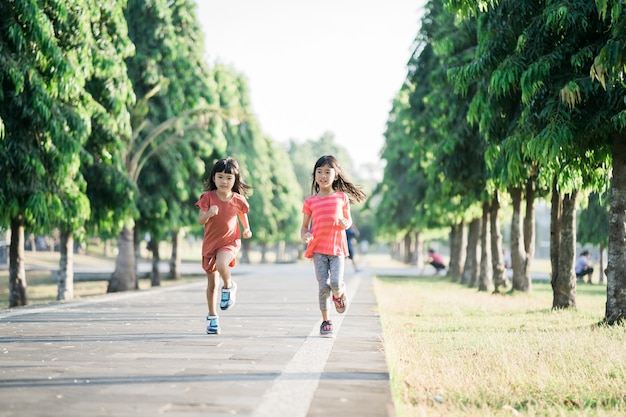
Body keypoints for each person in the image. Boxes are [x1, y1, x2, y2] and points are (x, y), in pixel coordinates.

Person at [301, 155, 367, 338]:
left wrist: (346, 223)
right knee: (323, 286)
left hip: (337, 249)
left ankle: (339, 295)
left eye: (327, 172)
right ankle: (326, 321)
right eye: (319, 172)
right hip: (318, 249)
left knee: (336, 283)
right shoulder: (310, 201)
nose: (323, 175)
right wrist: (305, 234)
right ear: (314, 175)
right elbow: (304, 226)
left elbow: (348, 219)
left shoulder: (341, 197)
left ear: (335, 175)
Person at [196, 157, 252, 335]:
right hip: (210, 244)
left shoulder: (237, 199)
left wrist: (247, 229)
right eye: (220, 177)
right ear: (214, 178)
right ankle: (212, 318)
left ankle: (229, 285)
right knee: (212, 284)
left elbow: (242, 213)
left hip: (230, 242)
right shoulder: (208, 198)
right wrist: (209, 214)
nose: (224, 181)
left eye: (229, 178)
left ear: (235, 179)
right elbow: (199, 220)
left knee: (222, 264)